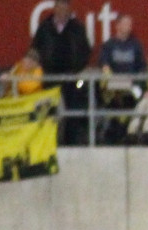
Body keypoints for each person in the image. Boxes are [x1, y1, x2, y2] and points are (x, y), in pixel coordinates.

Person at [32, 0, 92, 145]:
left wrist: (77, 68)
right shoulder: (45, 27)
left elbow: (85, 51)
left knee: (72, 111)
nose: (62, 12)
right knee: (50, 111)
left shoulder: (77, 28)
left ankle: (70, 142)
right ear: (55, 9)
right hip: (50, 78)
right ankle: (50, 141)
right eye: (60, 8)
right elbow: (35, 49)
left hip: (71, 78)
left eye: (65, 9)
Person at [98, 14, 147, 144]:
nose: (129, 27)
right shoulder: (109, 45)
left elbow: (142, 67)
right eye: (126, 24)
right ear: (117, 25)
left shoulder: (136, 45)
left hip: (133, 86)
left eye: (130, 24)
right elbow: (104, 66)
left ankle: (132, 132)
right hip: (114, 87)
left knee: (139, 97)